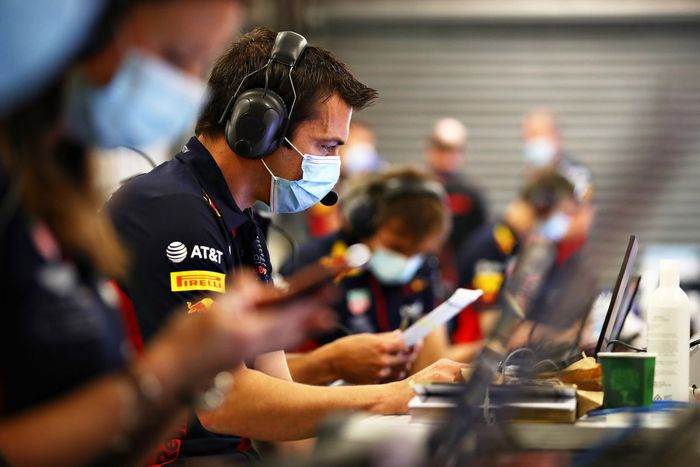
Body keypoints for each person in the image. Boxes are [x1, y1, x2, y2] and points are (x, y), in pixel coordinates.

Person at [106, 27, 466, 462]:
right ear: (259, 128)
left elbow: (275, 390)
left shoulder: (243, 220)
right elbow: (227, 401)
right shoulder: (174, 211)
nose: (332, 165)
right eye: (325, 146)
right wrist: (395, 396)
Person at [0, 1, 333, 466]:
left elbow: (119, 435)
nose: (191, 89)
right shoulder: (168, 207)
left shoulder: (61, 192)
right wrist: (173, 371)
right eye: (176, 55)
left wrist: (185, 372)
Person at [282, 166, 483, 378]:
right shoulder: (312, 266)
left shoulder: (424, 270)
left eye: (417, 252)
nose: (406, 260)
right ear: (365, 224)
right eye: (397, 248)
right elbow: (274, 369)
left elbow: (434, 358)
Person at [452, 172, 580, 344]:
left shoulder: (515, 243)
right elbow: (490, 325)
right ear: (542, 204)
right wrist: (557, 335)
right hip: (470, 357)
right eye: (563, 212)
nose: (565, 222)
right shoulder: (492, 245)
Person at [425, 117, 488, 299]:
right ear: (430, 150)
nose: (448, 157)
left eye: (455, 150)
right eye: (442, 149)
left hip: (461, 283)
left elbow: (481, 241)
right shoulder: (415, 189)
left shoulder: (472, 194)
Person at [521, 108, 596, 246]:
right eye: (526, 137)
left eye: (534, 135)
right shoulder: (533, 176)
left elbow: (584, 220)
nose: (529, 142)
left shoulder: (577, 174)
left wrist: (551, 233)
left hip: (570, 259)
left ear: (554, 135)